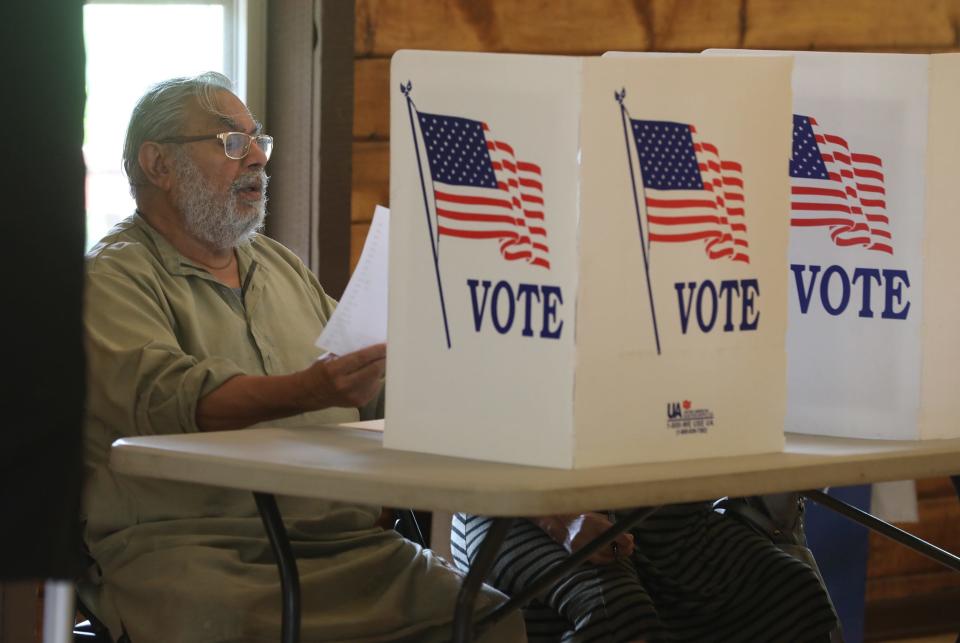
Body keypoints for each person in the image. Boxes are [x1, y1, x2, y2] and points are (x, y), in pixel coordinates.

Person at [82, 71, 525, 643]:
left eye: (258, 142)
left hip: (345, 545)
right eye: (230, 143)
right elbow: (172, 395)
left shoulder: (279, 266)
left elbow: (378, 378)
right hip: (196, 550)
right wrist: (312, 390)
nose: (257, 161)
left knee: (488, 618)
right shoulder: (110, 279)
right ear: (158, 164)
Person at [452, 498, 840, 642]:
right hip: (520, 504)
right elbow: (469, 430)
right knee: (618, 614)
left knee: (789, 590)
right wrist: (562, 519)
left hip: (647, 500)